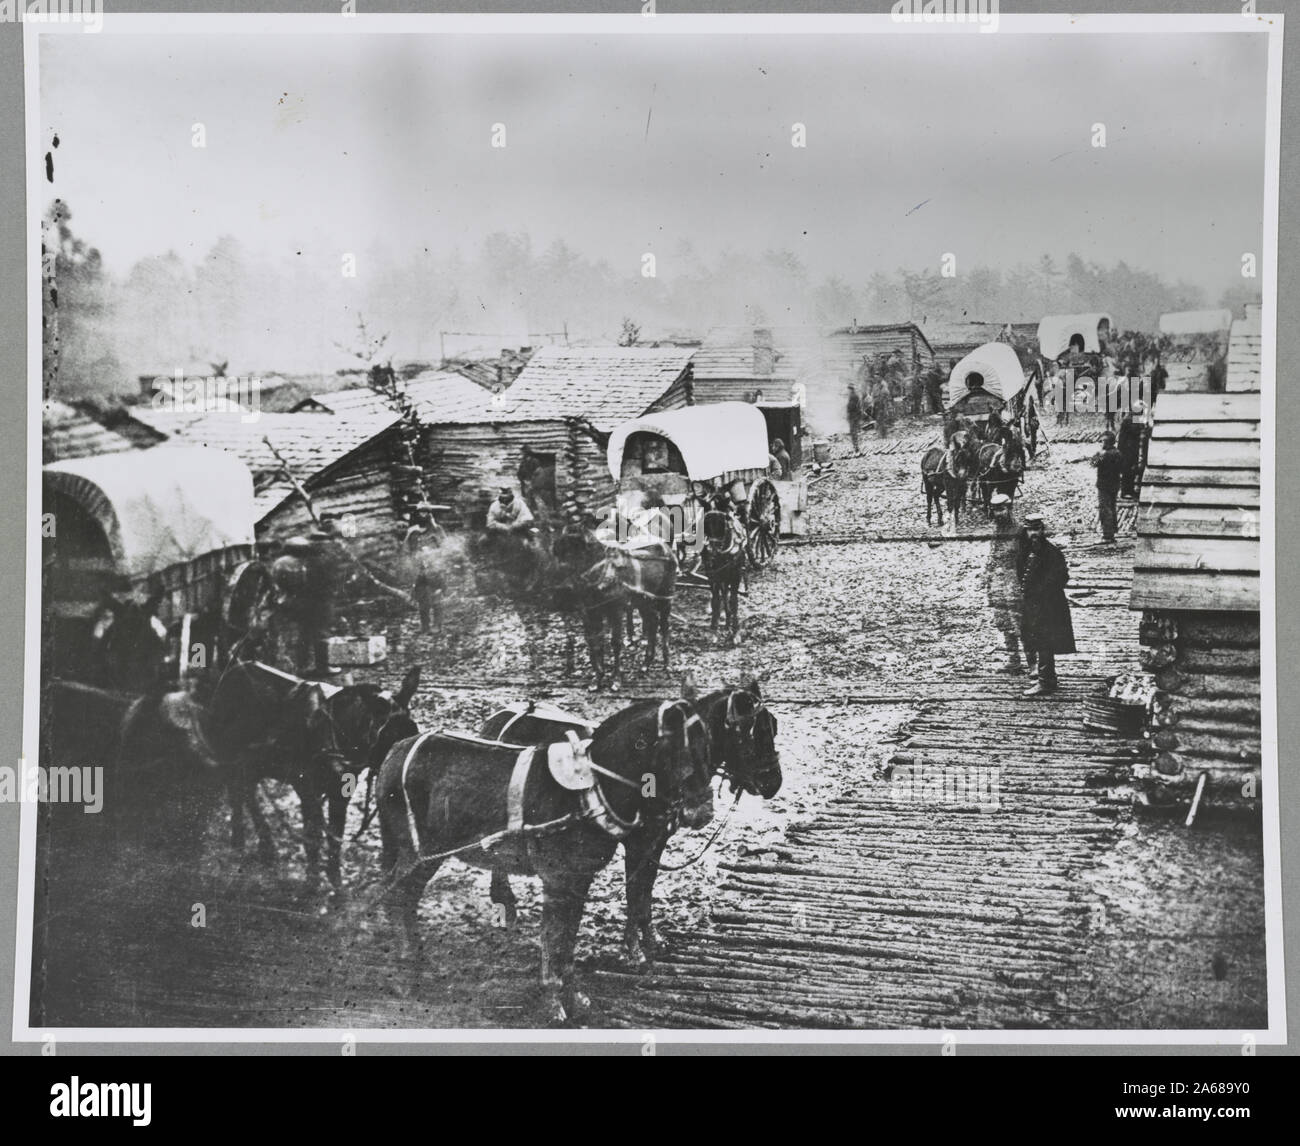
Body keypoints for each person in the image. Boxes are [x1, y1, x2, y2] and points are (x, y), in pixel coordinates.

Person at [1017, 515, 1076, 697]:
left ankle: (1046, 681)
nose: (1033, 534)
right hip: (1032, 604)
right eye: (1029, 530)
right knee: (1035, 638)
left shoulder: (1052, 553)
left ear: (1042, 530)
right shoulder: (1025, 550)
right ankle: (1047, 677)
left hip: (1049, 605)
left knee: (1045, 641)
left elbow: (1062, 577)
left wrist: (1042, 589)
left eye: (1036, 530)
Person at [984, 492, 1031, 674]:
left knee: (1020, 622)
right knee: (1003, 622)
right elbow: (992, 556)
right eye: (995, 510)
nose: (998, 514)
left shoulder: (1020, 531)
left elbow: (1028, 559)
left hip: (1015, 581)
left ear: (1009, 509)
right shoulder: (996, 530)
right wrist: (988, 579)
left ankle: (1032, 664)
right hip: (998, 580)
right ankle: (1014, 660)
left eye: (1002, 509)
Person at [1091, 432, 1124, 543]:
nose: (1101, 443)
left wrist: (1098, 454)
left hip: (1104, 485)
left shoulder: (1103, 455)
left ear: (1106, 443)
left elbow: (1092, 463)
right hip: (1115, 484)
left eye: (1102, 441)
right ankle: (1113, 531)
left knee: (1105, 509)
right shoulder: (1118, 453)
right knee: (1112, 507)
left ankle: (1107, 535)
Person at [1117, 402, 1145, 499]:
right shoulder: (1129, 419)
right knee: (1127, 471)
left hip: (1131, 449)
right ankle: (1125, 492)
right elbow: (1136, 430)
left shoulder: (1131, 417)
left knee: (1131, 470)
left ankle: (1130, 490)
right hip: (1127, 450)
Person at [846, 383, 863, 454]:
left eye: (849, 389)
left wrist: (848, 411)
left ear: (851, 389)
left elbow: (851, 407)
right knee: (854, 432)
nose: (848, 391)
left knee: (854, 432)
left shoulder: (853, 396)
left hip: (854, 416)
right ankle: (856, 447)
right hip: (855, 416)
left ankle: (856, 448)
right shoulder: (854, 396)